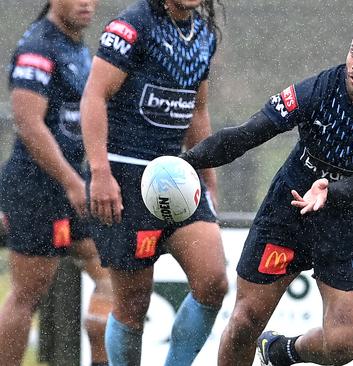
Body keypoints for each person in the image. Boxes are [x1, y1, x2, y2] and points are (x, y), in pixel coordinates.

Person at [179, 14, 353, 366]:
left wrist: (331, 191)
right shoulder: (319, 89)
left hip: (349, 225)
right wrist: (186, 161)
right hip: (288, 213)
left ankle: (281, 351)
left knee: (342, 345)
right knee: (245, 322)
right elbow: (248, 134)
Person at [79, 0, 228, 365]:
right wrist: (100, 172)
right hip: (123, 179)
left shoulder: (204, 34)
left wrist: (208, 179)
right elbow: (93, 96)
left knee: (213, 283)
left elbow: (198, 110)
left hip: (177, 177)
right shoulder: (132, 25)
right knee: (132, 306)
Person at [0, 1, 112, 366]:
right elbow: (29, 124)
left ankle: (100, 350)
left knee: (111, 270)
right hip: (35, 186)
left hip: (72, 183)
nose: (87, 4)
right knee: (27, 294)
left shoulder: (76, 45)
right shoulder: (37, 47)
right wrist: (71, 180)